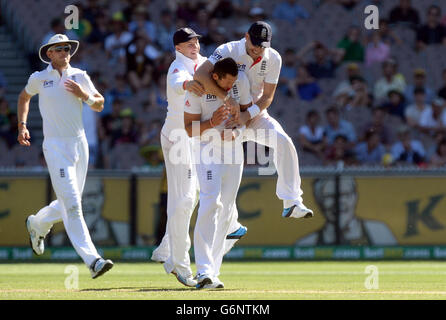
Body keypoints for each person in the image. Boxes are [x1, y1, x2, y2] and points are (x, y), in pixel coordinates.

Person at [194, 21, 313, 219]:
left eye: (263, 45)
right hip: (224, 116)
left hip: (254, 114)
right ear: (246, 36)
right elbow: (200, 75)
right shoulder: (228, 49)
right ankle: (230, 223)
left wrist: (246, 116)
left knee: (284, 141)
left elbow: (267, 97)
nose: (258, 49)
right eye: (255, 43)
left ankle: (292, 201)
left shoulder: (273, 58)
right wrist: (228, 100)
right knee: (224, 175)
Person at [18, 34, 113, 278]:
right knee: (72, 204)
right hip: (56, 147)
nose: (64, 52)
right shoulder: (39, 78)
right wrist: (22, 125)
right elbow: (24, 97)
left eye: (67, 48)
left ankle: (38, 224)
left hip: (79, 145)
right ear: (49, 53)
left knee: (70, 202)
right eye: (59, 49)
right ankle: (93, 260)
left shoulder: (80, 75)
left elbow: (99, 104)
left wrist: (84, 95)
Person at [150, 28, 229, 288]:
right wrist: (187, 84)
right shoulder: (177, 67)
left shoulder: (204, 63)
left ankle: (165, 250)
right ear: (178, 48)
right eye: (189, 42)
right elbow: (178, 83)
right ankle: (179, 264)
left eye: (196, 40)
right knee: (183, 198)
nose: (194, 44)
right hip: (177, 138)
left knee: (193, 195)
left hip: (193, 137)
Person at [184, 57, 252, 289]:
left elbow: (245, 118)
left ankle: (213, 272)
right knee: (210, 203)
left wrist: (236, 131)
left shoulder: (239, 83)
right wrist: (212, 123)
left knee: (226, 210)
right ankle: (203, 271)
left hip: (234, 154)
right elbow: (188, 129)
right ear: (215, 76)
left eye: (233, 83)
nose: (229, 88)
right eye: (226, 83)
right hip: (207, 151)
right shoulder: (197, 90)